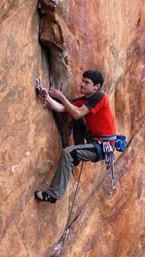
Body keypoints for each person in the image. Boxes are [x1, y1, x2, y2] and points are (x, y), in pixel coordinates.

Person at [34, 70, 116, 203]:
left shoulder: (100, 96)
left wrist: (61, 96)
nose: (82, 84)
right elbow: (62, 108)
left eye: (86, 82)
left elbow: (77, 113)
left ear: (96, 86)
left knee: (68, 153)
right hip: (95, 141)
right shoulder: (84, 101)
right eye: (82, 81)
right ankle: (77, 154)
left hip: (103, 146)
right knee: (74, 115)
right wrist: (47, 97)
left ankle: (53, 194)